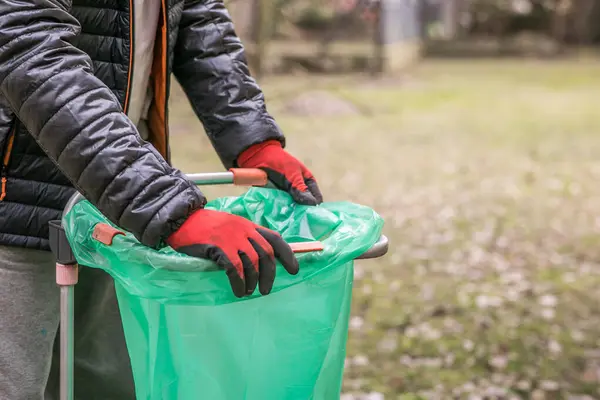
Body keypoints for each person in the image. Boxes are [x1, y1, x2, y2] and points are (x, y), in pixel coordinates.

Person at [0, 0, 323, 398]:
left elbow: (197, 15)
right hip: (14, 203)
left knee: (105, 385)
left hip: (110, 203)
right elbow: (26, 45)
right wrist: (163, 204)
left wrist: (251, 137)